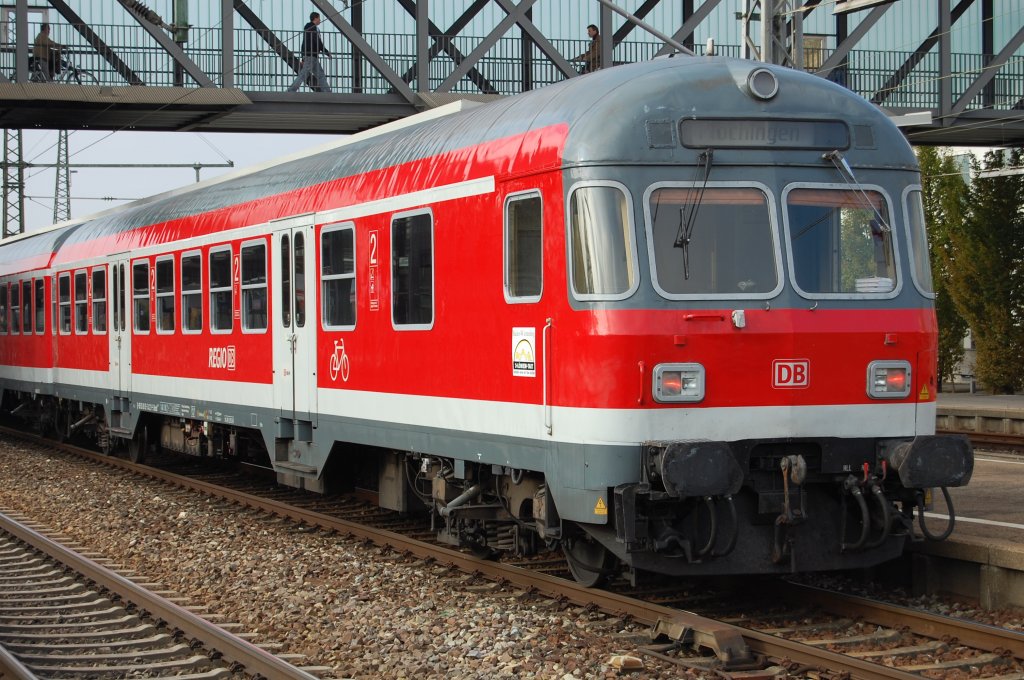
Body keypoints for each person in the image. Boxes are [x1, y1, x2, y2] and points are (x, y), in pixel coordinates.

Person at [288, 12, 332, 93]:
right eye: (319, 18)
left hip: (312, 56)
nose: (320, 20)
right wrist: (326, 52)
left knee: (320, 75)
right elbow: (317, 42)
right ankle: (291, 90)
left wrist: (303, 57)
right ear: (315, 18)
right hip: (311, 56)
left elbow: (304, 43)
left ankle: (327, 92)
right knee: (304, 74)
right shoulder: (311, 27)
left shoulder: (310, 27)